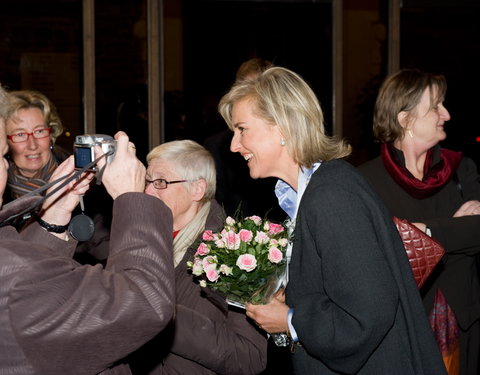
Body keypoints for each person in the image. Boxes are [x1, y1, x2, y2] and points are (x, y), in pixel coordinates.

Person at [218, 66, 447, 374]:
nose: (234, 145)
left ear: (281, 127)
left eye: (242, 129)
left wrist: (290, 320)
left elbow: (367, 314)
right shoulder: (312, 191)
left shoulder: (331, 196)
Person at [0, 84, 175, 374]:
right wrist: (132, 201)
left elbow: (23, 283)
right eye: (3, 154)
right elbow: (145, 303)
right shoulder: (18, 277)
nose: (5, 167)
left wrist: (52, 218)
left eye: (39, 132)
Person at [359, 69, 480, 375]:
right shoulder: (364, 181)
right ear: (405, 119)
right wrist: (454, 230)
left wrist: (422, 231)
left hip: (459, 323)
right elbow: (376, 254)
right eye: (436, 106)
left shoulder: (461, 170)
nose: (447, 114)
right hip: (399, 326)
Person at [129, 139, 267, 374]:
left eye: (161, 181)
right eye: (147, 181)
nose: (148, 191)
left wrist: (164, 318)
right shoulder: (143, 238)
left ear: (197, 189)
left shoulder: (235, 253)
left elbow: (249, 357)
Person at [4, 89, 112, 262]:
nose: (32, 145)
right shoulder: (1, 195)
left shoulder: (86, 183)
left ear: (51, 134)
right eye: (20, 134)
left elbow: (107, 254)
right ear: (5, 142)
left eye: (39, 131)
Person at [204, 57, 284, 222]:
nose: (235, 146)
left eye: (261, 87)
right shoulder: (217, 146)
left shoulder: (322, 185)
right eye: (247, 87)